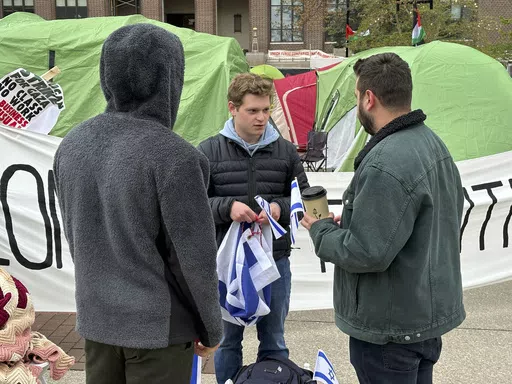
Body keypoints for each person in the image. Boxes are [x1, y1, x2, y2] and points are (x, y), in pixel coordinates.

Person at [53, 24, 222, 384]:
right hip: (158, 330)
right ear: (170, 78)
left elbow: (76, 237)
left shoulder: (71, 145)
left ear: (105, 73)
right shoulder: (175, 157)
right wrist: (211, 329)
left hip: (98, 322)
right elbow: (193, 260)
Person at [301, 53, 465, 384]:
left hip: (389, 332)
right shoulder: (433, 144)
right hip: (419, 319)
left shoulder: (386, 161)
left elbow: (366, 252)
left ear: (369, 98)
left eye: (356, 97)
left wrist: (320, 230)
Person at [197, 73, 309, 384]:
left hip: (274, 262)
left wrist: (278, 208)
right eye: (253, 110)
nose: (262, 118)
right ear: (232, 108)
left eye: (266, 109)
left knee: (274, 342)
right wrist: (227, 208)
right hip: (226, 267)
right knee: (228, 342)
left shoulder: (286, 151)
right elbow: (193, 205)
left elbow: (304, 199)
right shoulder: (208, 151)